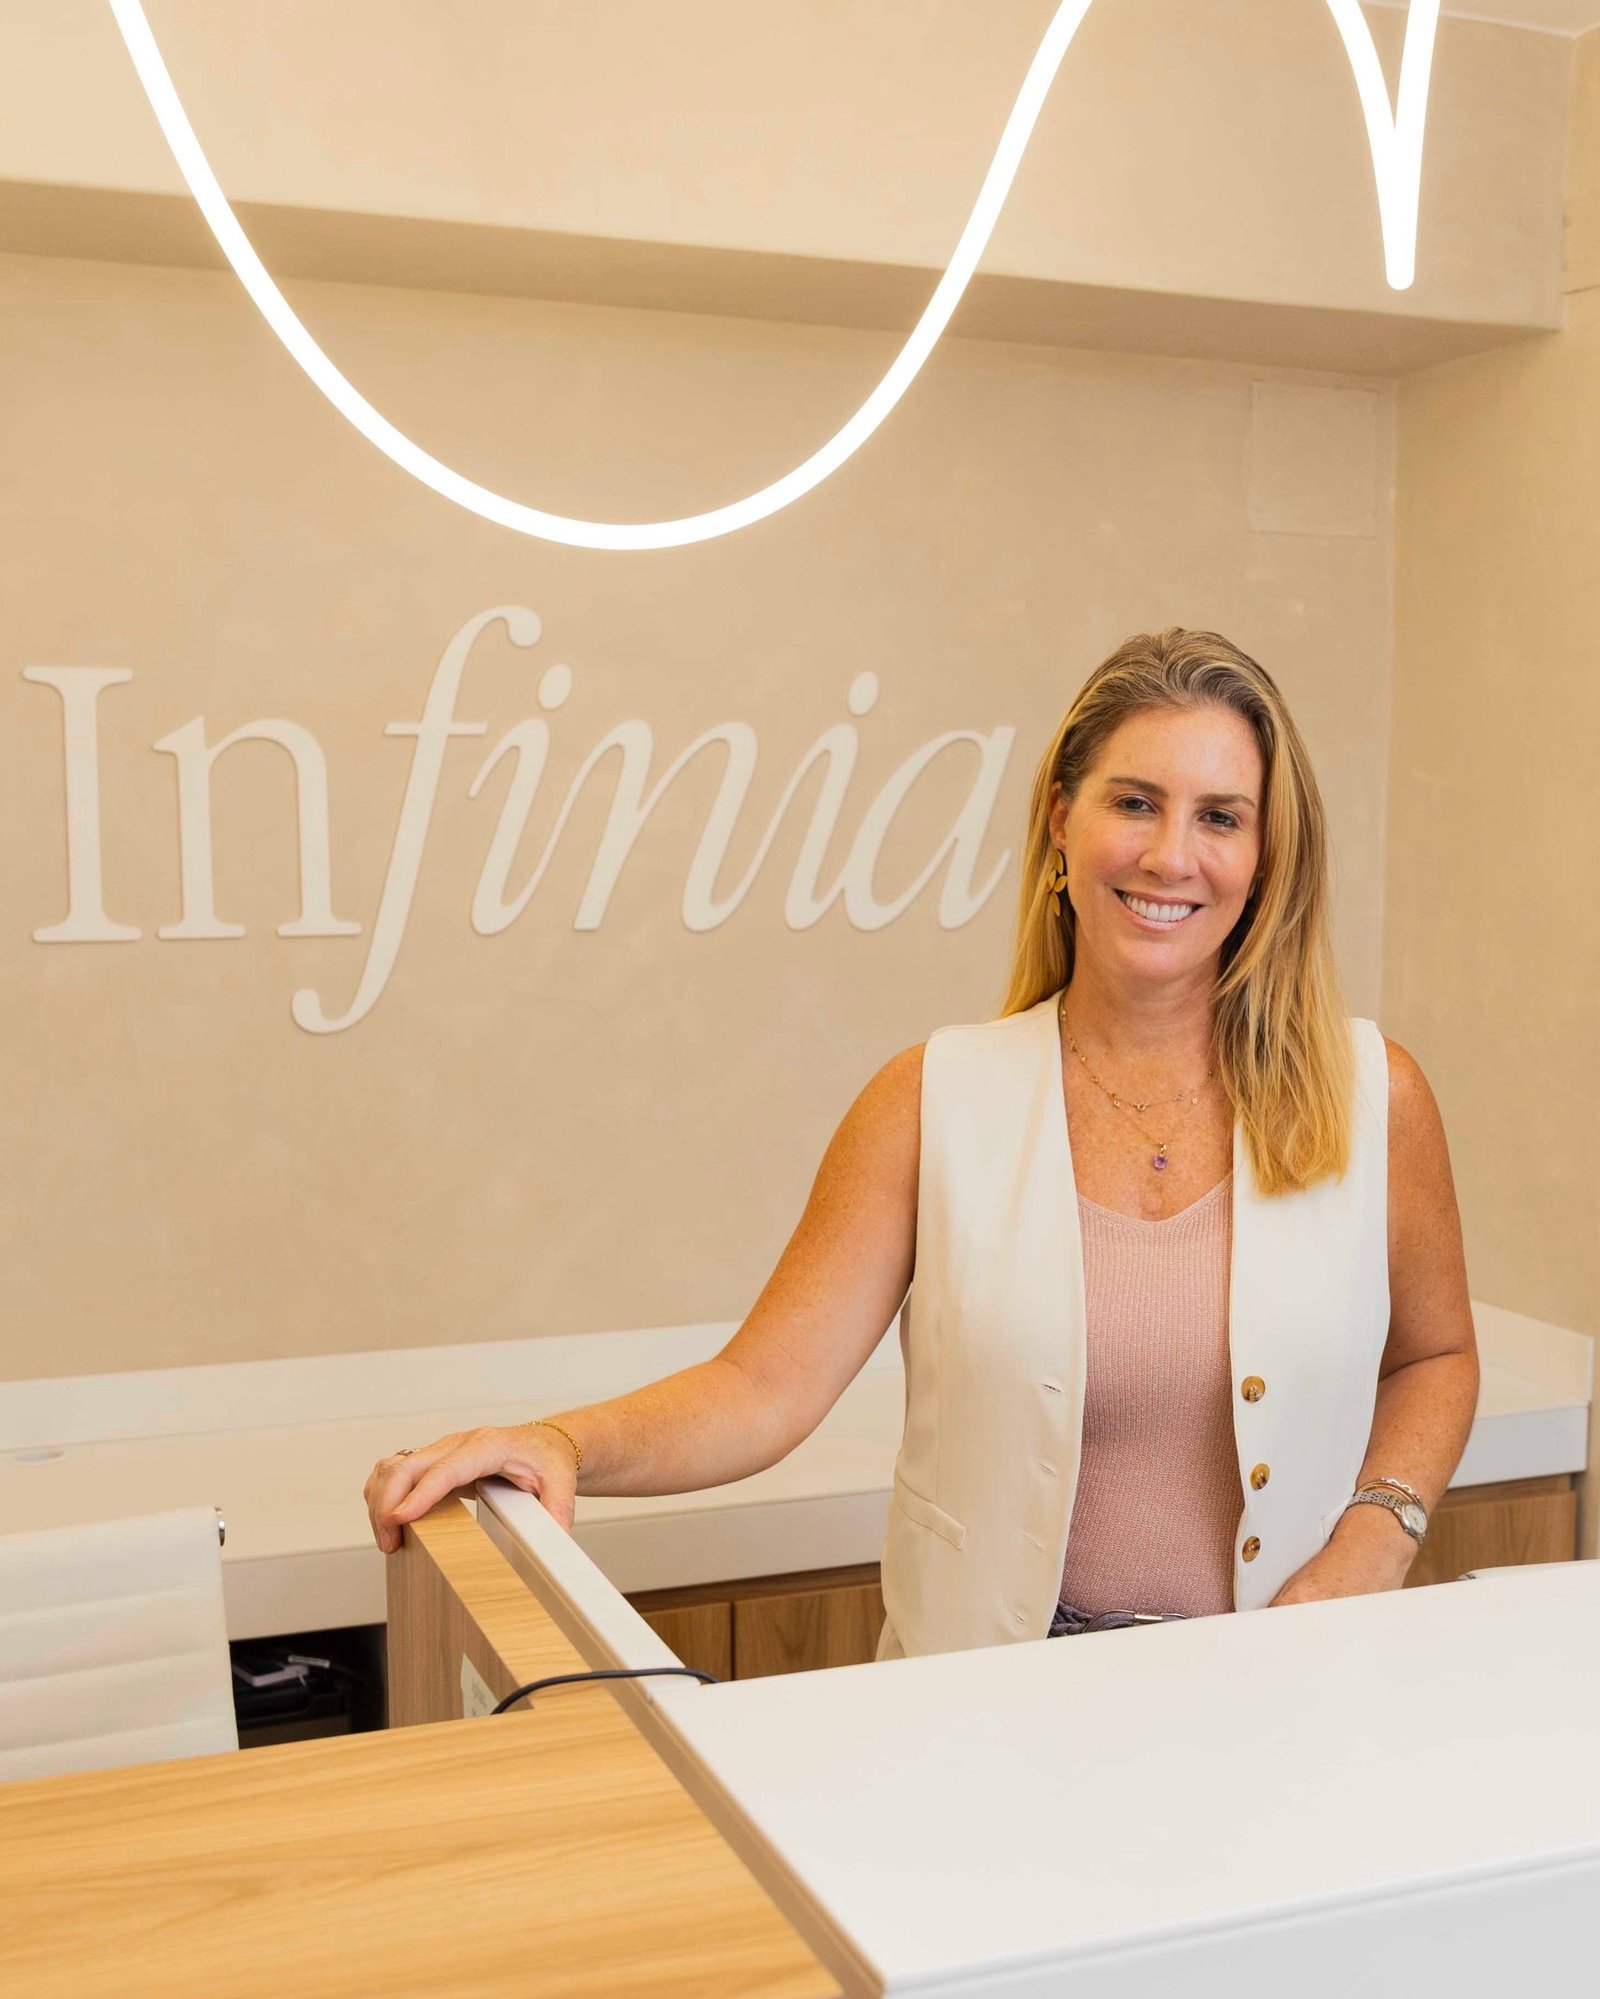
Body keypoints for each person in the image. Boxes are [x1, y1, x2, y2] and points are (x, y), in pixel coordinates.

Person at [364, 627, 1479, 1660]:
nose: (1170, 855)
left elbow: (1435, 1357)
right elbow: (760, 1387)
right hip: (984, 1716)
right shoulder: (931, 1099)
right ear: (1060, 820)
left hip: (1278, 1696)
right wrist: (560, 1442)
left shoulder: (1371, 1096)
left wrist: (1374, 1540)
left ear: (1268, 854)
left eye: (1221, 817)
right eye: (1134, 802)